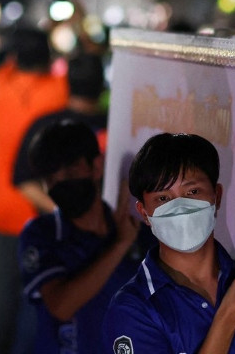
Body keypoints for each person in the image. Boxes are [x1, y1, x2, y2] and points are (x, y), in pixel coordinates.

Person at [102, 132, 235, 353]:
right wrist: (229, 317)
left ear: (216, 196)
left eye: (193, 191)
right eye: (163, 199)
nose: (180, 207)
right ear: (144, 213)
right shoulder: (134, 308)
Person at [17, 120, 146, 354]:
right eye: (51, 178)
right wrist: (120, 245)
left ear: (96, 167)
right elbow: (61, 306)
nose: (60, 183)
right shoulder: (42, 233)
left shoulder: (133, 231)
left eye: (70, 171)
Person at [0, 26, 68, 354]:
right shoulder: (58, 92)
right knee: (37, 295)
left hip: (0, 204)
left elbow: (5, 68)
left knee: (4, 293)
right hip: (40, 205)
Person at [13, 52, 109, 214]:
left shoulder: (44, 125)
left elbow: (24, 179)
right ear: (102, 85)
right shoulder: (116, 125)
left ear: (67, 83)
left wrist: (60, 211)